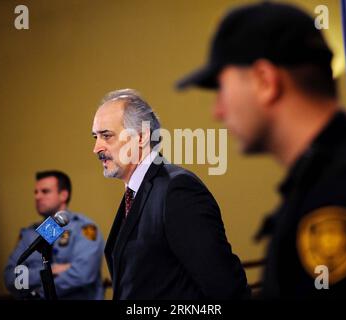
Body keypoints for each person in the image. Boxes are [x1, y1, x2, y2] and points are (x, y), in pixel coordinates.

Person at [176, 2, 346, 298]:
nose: (218, 111)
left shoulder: (343, 193)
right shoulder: (328, 179)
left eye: (221, 88)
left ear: (265, 81)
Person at [92, 89, 249, 299]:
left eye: (106, 135)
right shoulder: (135, 192)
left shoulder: (178, 190)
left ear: (141, 137)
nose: (96, 148)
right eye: (95, 137)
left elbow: (225, 286)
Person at [4, 170, 105, 300]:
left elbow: (83, 274)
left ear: (63, 195)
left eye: (45, 191)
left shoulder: (83, 228)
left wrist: (37, 293)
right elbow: (10, 278)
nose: (37, 196)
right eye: (35, 192)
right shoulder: (30, 234)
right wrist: (51, 270)